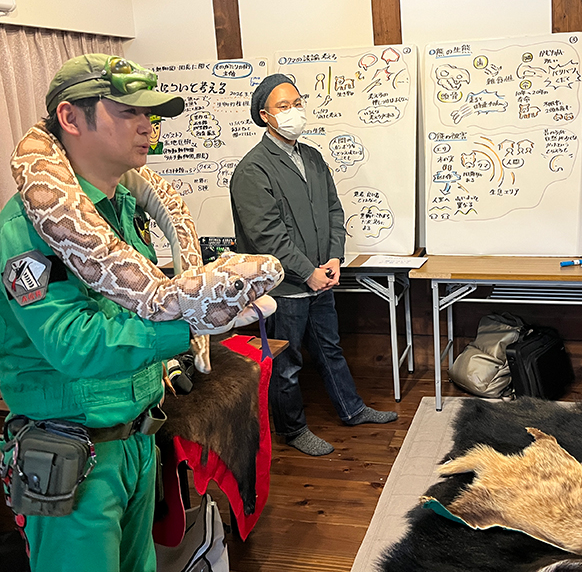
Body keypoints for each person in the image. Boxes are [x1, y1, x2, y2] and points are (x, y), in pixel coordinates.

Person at [0, 54, 191, 572]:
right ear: (70, 118)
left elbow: (141, 299)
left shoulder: (124, 209)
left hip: (136, 443)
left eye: (151, 114)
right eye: (129, 111)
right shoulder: (28, 228)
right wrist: (190, 326)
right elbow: (72, 343)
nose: (147, 125)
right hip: (74, 456)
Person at [229, 74, 397, 456]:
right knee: (286, 362)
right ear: (265, 116)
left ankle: (352, 409)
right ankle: (294, 430)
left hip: (322, 277)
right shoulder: (253, 170)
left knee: (330, 349)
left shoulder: (313, 157)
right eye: (283, 107)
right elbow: (266, 236)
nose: (294, 113)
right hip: (285, 288)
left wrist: (334, 257)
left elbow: (334, 211)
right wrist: (307, 271)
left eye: (297, 103)